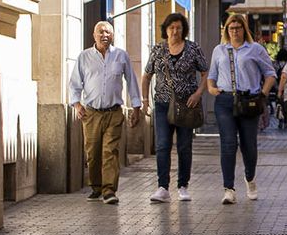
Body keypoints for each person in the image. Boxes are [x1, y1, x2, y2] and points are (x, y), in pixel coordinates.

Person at [68, 21, 143, 204]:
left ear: (113, 36)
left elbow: (132, 81)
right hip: (91, 113)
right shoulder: (84, 57)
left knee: (110, 151)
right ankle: (96, 187)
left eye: (108, 32)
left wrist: (136, 107)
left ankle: (109, 190)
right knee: (93, 152)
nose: (105, 35)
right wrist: (77, 105)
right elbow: (75, 84)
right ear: (94, 35)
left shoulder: (121, 56)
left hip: (114, 112)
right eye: (101, 32)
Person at [207, 12, 276, 204]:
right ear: (226, 30)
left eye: (238, 28)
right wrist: (212, 89)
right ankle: (229, 188)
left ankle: (250, 179)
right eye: (231, 28)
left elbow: (270, 74)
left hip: (249, 101)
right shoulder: (219, 50)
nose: (234, 31)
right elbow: (211, 75)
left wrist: (262, 93)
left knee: (249, 145)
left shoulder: (255, 49)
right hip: (225, 101)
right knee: (228, 144)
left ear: (244, 29)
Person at [141, 12, 208, 203]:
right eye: (171, 28)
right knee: (162, 145)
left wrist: (198, 94)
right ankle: (163, 187)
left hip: (187, 104)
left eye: (178, 27)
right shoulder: (158, 50)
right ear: (166, 29)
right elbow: (146, 76)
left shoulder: (193, 48)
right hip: (163, 104)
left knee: (184, 146)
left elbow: (205, 73)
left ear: (183, 30)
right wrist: (145, 101)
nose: (175, 31)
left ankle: (183, 186)